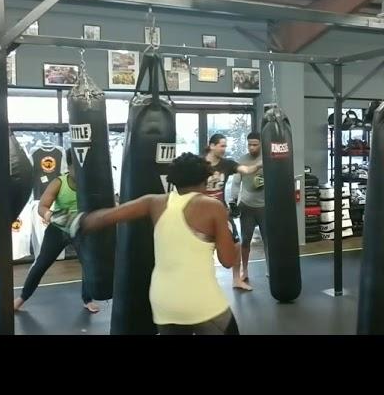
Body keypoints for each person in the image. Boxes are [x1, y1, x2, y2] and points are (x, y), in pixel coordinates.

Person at [72, 153, 240, 335]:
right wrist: (232, 238)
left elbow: (105, 217)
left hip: (163, 302)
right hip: (199, 301)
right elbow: (227, 260)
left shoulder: (154, 202)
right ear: (205, 179)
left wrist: (80, 221)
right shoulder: (213, 206)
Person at [14, 150, 100, 314]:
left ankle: (87, 300)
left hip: (81, 230)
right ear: (69, 167)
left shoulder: (91, 183)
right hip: (59, 229)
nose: (80, 173)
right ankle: (21, 298)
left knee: (89, 264)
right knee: (41, 264)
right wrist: (49, 215)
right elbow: (42, 206)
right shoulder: (59, 183)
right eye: (76, 169)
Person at [205, 133, 262, 291]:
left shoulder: (227, 164)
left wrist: (259, 165)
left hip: (222, 212)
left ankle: (237, 279)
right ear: (212, 146)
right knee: (205, 248)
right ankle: (206, 281)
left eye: (225, 146)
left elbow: (245, 170)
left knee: (236, 244)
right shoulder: (200, 164)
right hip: (203, 212)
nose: (224, 149)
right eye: (222, 145)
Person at [230, 132, 268, 282]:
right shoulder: (242, 160)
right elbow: (236, 182)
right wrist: (232, 200)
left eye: (255, 144)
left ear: (261, 144)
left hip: (265, 207)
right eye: (249, 144)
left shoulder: (268, 159)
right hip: (247, 207)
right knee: (245, 240)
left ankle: (270, 268)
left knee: (268, 241)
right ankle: (244, 270)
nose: (251, 147)